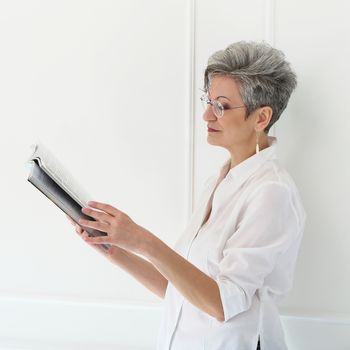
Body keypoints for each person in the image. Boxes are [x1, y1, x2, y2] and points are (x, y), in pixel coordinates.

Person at [67, 40, 306, 350]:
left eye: (221, 105)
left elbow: (223, 304)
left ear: (261, 118)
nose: (207, 115)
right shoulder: (219, 181)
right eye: (208, 101)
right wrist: (114, 249)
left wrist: (141, 239)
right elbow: (178, 289)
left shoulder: (271, 193)